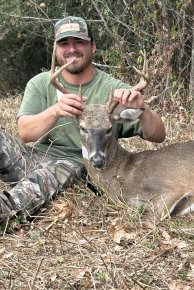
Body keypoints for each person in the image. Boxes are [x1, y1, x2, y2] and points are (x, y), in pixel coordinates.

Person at [0, 16, 166, 225]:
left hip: (77, 165)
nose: (71, 49)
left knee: (38, 183)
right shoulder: (42, 83)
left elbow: (158, 136)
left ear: (92, 47)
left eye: (79, 42)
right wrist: (55, 111)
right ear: (55, 49)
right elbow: (24, 133)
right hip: (34, 157)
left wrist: (142, 109)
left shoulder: (114, 90)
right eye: (64, 43)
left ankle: (6, 211)